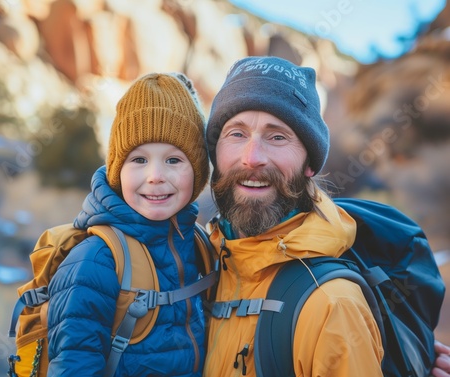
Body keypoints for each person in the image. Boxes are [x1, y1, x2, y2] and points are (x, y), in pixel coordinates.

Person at [202, 55, 450, 376]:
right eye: (236, 134)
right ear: (216, 153)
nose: (252, 157)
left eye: (277, 136)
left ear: (310, 164)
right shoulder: (203, 265)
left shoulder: (332, 305)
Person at [47, 72, 210, 376]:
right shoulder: (95, 262)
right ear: (117, 171)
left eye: (174, 160)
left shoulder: (200, 247)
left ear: (197, 172)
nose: (155, 176)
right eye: (138, 160)